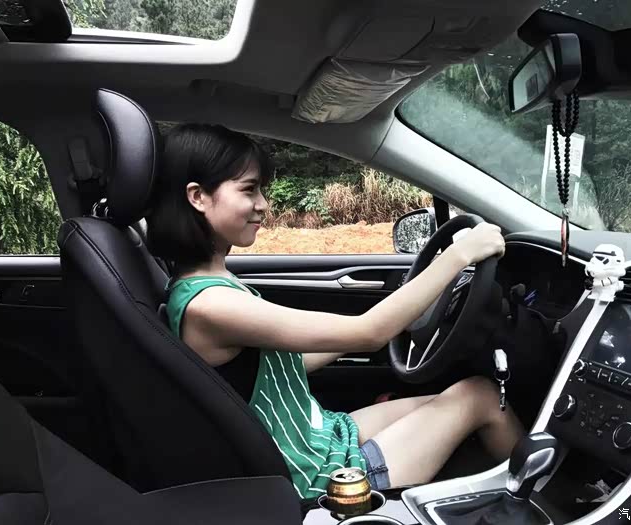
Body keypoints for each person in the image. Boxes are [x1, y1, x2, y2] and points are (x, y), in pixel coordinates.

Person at [146, 123, 524, 499]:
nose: (263, 204)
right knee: (482, 396)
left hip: (318, 438)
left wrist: (402, 317)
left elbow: (281, 365)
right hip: (321, 479)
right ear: (198, 197)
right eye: (249, 189)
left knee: (447, 401)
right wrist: (461, 253)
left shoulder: (212, 285)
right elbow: (370, 332)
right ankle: (545, 500)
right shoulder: (211, 305)